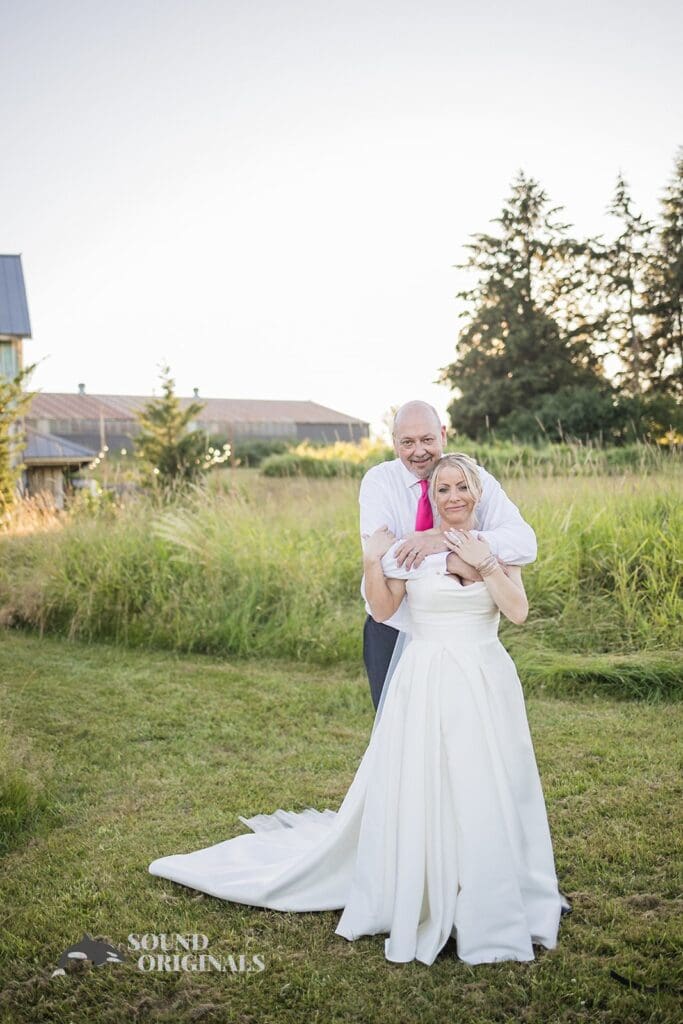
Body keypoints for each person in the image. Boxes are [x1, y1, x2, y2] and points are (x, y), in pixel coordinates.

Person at [149, 452, 571, 966]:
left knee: (488, 779)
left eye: (462, 487)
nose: (454, 496)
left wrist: (481, 562)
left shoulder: (498, 545)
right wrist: (375, 558)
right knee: (428, 779)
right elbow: (383, 608)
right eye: (443, 489)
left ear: (477, 493)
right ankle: (425, 885)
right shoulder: (407, 553)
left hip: (486, 677)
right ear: (430, 497)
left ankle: (490, 882)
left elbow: (519, 612)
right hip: (427, 678)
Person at [360, 400, 537, 710]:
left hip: (460, 632)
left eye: (427, 439)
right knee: (397, 730)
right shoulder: (379, 482)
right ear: (394, 443)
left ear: (442, 434)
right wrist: (454, 560)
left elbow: (524, 544)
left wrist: (442, 538)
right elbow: (384, 560)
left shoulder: (473, 479)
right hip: (394, 624)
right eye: (408, 442)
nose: (419, 451)